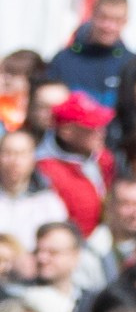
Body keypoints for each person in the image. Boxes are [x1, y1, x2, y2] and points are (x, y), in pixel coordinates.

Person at [43, 0, 136, 104]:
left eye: (117, 20)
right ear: (92, 15)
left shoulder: (132, 66)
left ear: (125, 22)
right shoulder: (64, 60)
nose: (109, 26)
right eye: (103, 17)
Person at [35, 94, 111, 240]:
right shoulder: (44, 170)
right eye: (91, 127)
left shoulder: (104, 159)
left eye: (101, 125)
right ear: (66, 132)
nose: (101, 132)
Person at [0, 126, 66, 258]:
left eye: (22, 154)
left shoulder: (48, 202)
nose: (15, 161)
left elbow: (58, 243)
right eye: (8, 153)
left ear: (33, 159)